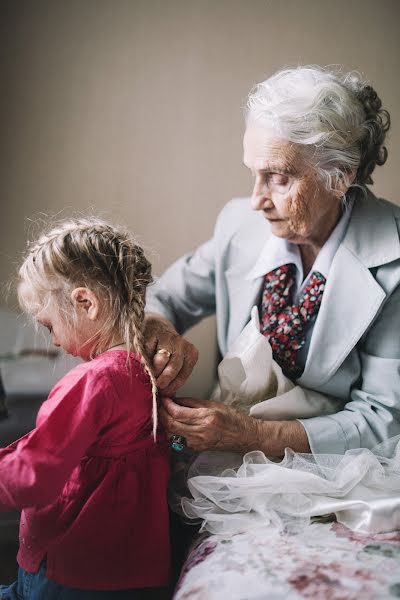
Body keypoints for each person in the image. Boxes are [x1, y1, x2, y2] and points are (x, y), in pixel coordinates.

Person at [144, 65, 400, 458]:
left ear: (340, 175)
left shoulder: (393, 260)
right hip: (226, 448)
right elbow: (165, 298)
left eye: (278, 177)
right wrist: (161, 332)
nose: (256, 200)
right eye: (253, 173)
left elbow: (384, 419)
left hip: (336, 462)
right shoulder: (239, 223)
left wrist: (250, 434)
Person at [0, 218, 170, 599]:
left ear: (85, 302)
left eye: (49, 326)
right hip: (129, 568)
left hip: (73, 572)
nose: (55, 341)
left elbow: (34, 474)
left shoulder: (95, 380)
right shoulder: (146, 371)